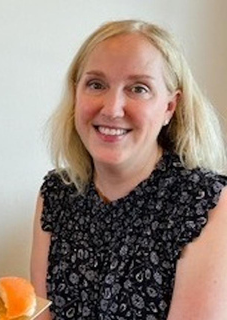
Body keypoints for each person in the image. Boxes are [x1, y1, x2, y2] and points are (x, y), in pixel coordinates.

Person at [31, 19, 227, 319]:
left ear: (169, 108)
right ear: (76, 94)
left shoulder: (208, 201)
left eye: (139, 88)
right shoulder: (57, 193)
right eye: (96, 84)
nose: (112, 108)